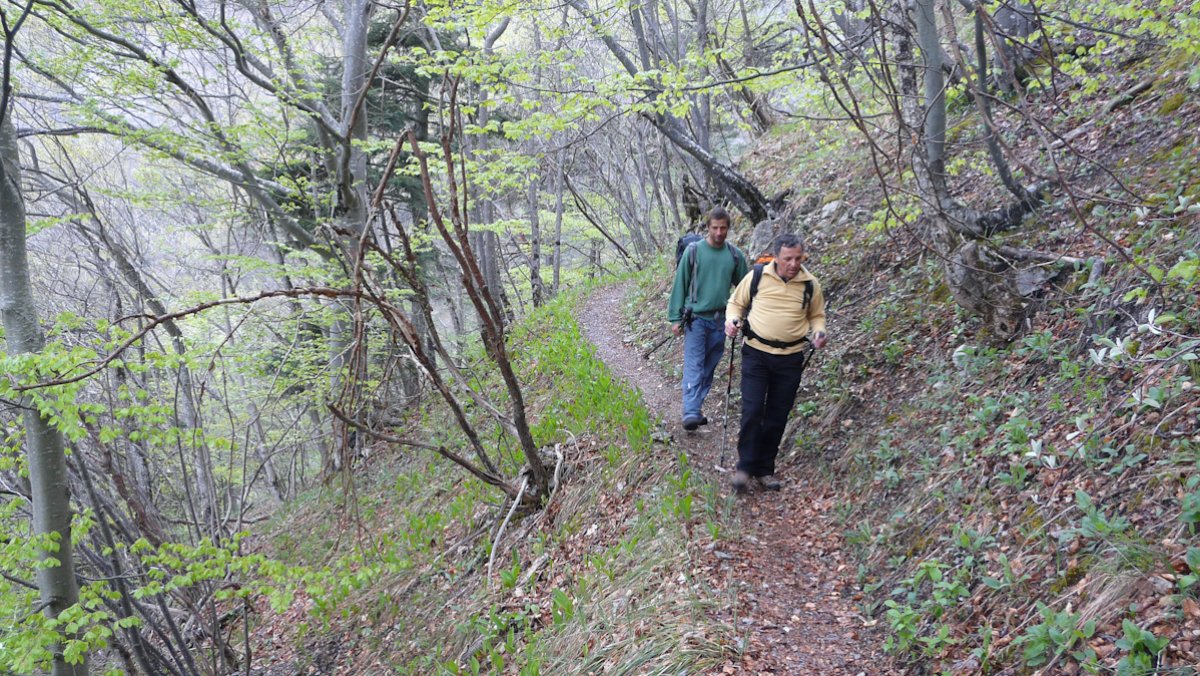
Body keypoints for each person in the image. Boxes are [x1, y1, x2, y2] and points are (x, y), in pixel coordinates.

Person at [724, 233, 827, 493]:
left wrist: (819, 332)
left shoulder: (810, 284)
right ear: (777, 257)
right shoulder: (758, 276)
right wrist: (732, 321)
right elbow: (736, 303)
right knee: (752, 410)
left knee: (777, 414)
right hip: (756, 353)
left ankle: (765, 469)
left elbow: (817, 315)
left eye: (798, 258)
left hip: (790, 358)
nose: (793, 264)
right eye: (788, 259)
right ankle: (744, 468)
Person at [667, 207, 749, 431]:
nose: (719, 232)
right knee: (694, 364)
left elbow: (745, 289)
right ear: (707, 228)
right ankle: (691, 410)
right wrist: (675, 318)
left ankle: (695, 407)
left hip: (720, 321)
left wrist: (745, 317)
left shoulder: (734, 256)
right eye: (715, 228)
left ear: (728, 228)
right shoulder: (693, 252)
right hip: (695, 320)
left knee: (708, 367)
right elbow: (680, 284)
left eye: (723, 228)